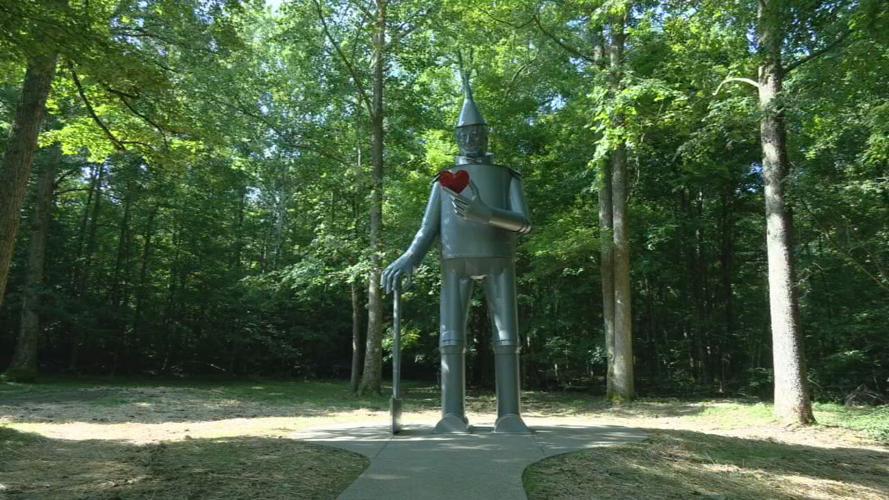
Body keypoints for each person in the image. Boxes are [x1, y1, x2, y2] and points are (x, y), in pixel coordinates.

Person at [382, 77, 532, 433]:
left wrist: (486, 213)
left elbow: (524, 223)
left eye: (477, 133)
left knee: (507, 338)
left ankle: (509, 414)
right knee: (450, 339)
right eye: (465, 134)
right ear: (457, 137)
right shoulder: (443, 180)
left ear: (486, 135)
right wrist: (410, 257)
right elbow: (428, 228)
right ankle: (452, 414)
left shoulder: (506, 176)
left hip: (498, 259)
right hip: (454, 260)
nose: (472, 139)